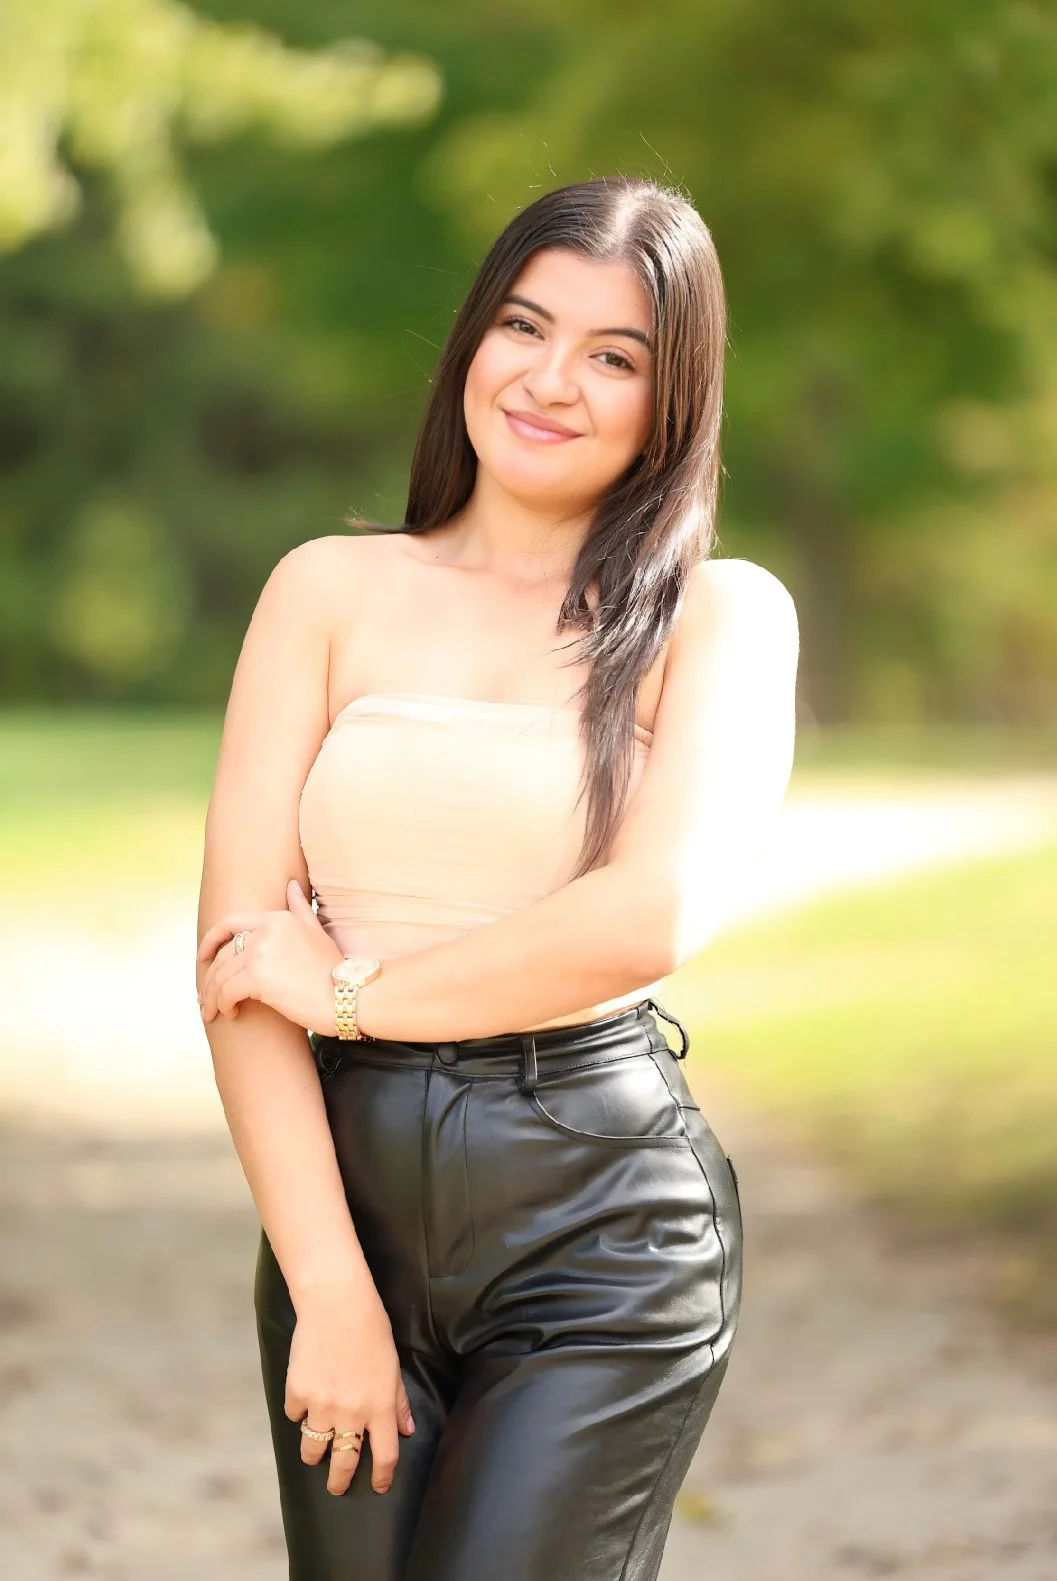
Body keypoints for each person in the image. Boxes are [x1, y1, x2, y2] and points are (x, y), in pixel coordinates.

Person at [195, 174, 799, 1581]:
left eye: (614, 356)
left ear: (674, 400)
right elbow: (235, 973)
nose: (549, 380)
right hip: (340, 1229)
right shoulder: (324, 592)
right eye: (523, 327)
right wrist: (333, 1292)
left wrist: (348, 991)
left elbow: (652, 915)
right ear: (470, 341)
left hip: (605, 1237)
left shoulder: (720, 616)